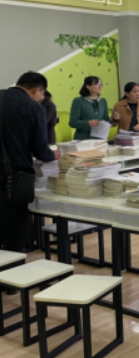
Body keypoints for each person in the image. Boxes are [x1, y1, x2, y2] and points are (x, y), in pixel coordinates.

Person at [0, 72, 61, 252]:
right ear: (37, 90)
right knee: (13, 231)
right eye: (42, 94)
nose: (41, 98)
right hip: (14, 177)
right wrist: (53, 155)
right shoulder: (34, 108)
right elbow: (40, 150)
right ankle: (12, 267)